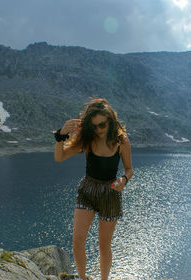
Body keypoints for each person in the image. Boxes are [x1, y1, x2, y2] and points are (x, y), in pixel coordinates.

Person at [53, 98, 133, 280]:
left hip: (111, 193)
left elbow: (129, 169)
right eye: (94, 126)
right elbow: (59, 157)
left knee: (104, 245)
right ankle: (83, 278)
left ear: (110, 121)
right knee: (77, 241)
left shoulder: (121, 140)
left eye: (102, 125)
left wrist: (123, 180)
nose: (98, 130)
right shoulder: (87, 139)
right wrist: (61, 135)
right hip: (88, 190)